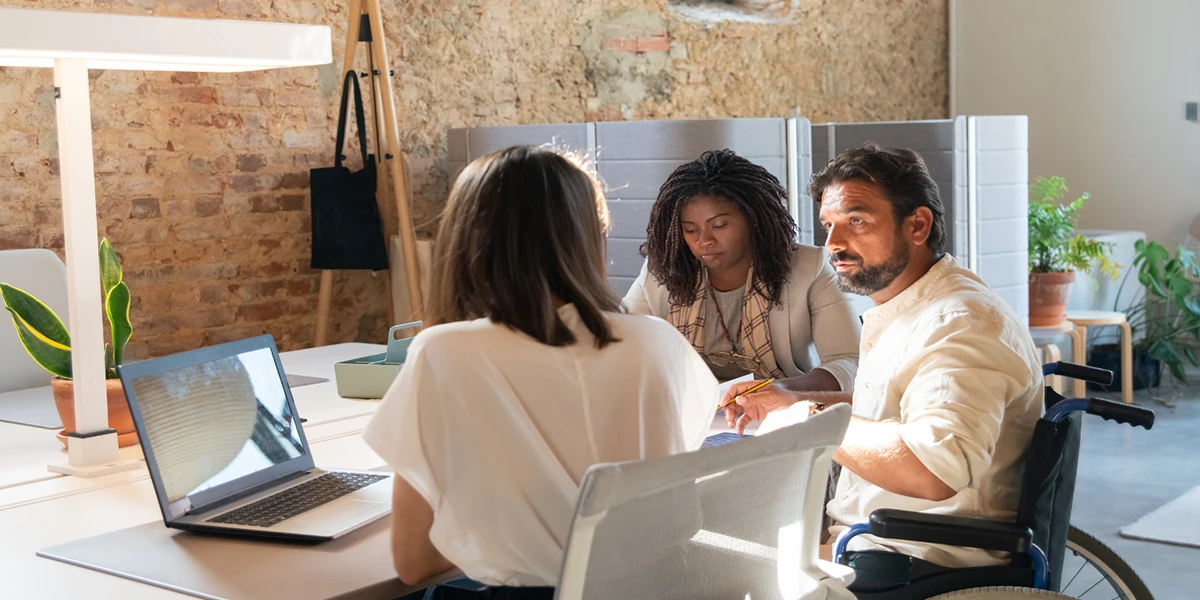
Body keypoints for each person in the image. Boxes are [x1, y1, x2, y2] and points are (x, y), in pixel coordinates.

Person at [362, 146, 718, 596]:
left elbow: (413, 562)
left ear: (466, 239)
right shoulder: (657, 341)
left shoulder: (444, 353)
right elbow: (663, 506)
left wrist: (504, 539)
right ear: (587, 236)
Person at [723, 143, 1044, 569]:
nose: (834, 244)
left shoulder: (961, 322)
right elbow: (897, 409)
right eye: (828, 225)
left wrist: (809, 420)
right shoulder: (913, 307)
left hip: (918, 558)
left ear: (918, 225)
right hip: (876, 540)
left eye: (857, 221)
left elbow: (935, 469)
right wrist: (793, 400)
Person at [624, 149, 860, 394]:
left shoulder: (808, 267)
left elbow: (849, 361)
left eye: (719, 225)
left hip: (778, 412)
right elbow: (621, 345)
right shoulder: (664, 271)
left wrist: (778, 391)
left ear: (753, 218)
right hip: (691, 411)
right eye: (690, 230)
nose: (704, 240)